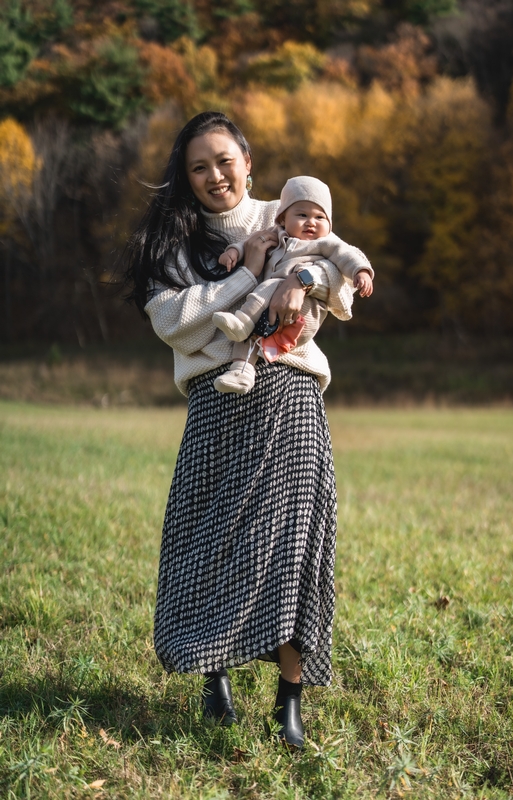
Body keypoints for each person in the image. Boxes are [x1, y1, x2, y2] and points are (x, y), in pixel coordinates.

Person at [125, 111, 353, 749]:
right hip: (217, 405)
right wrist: (251, 278)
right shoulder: (174, 241)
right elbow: (177, 324)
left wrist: (303, 278)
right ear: (186, 176)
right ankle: (214, 673)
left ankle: (290, 704)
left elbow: (337, 268)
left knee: (292, 550)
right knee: (211, 541)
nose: (214, 175)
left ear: (248, 162)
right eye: (199, 166)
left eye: (224, 160)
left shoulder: (284, 215)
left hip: (291, 399)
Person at [211, 175, 374, 394]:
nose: (311, 222)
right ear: (282, 219)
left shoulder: (326, 243)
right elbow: (248, 243)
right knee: (253, 335)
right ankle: (241, 373)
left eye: (319, 217)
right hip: (271, 308)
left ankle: (242, 320)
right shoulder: (276, 234)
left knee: (268, 288)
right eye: (302, 214)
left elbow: (347, 256)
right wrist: (233, 252)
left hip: (304, 312)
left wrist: (361, 271)